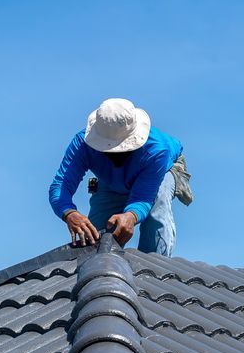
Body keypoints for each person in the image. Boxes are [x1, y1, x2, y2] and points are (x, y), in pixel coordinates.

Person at [48, 98, 192, 256]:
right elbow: (61, 186)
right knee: (95, 239)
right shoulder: (82, 144)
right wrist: (69, 213)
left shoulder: (158, 150)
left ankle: (156, 265)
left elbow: (143, 197)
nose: (115, 155)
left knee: (158, 202)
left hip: (162, 172)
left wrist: (131, 215)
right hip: (112, 181)